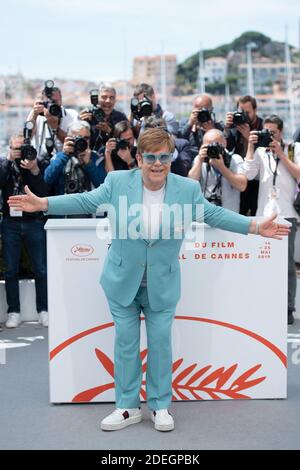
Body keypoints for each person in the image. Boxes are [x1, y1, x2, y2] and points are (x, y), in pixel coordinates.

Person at [8, 128, 289, 431]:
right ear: (139, 158)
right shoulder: (117, 182)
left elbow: (215, 215)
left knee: (160, 345)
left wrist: (256, 227)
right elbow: (86, 201)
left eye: (164, 157)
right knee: (126, 345)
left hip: (162, 283)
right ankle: (128, 407)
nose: (158, 164)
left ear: (171, 158)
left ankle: (159, 406)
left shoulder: (186, 189)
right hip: (121, 281)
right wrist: (44, 204)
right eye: (151, 157)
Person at [244, 115, 300, 325]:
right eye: (265, 132)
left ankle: (288, 307)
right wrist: (250, 147)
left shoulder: (294, 149)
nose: (269, 136)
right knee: (263, 263)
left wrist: (282, 155)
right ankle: (265, 304)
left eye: (273, 133)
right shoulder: (259, 152)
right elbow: (248, 175)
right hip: (263, 215)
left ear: (281, 132)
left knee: (286, 265)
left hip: (286, 215)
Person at [0, 133, 50, 328]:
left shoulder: (36, 164)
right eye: (16, 149)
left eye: (23, 149)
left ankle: (43, 310)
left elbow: (43, 191)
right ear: (10, 148)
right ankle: (13, 311)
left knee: (41, 269)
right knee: (11, 270)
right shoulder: (4, 164)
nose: (21, 153)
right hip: (10, 222)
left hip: (33, 222)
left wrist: (34, 168)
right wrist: (9, 160)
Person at [188, 129, 247, 212]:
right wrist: (200, 161)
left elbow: (242, 186)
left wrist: (222, 167)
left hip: (229, 218)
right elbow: (190, 186)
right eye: (209, 146)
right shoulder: (199, 159)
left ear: (225, 143)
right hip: (205, 217)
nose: (213, 148)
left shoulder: (234, 159)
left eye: (216, 145)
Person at [44, 121, 106, 197]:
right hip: (65, 203)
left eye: (86, 138)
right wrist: (64, 155)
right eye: (78, 138)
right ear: (69, 139)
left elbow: (103, 186)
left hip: (89, 205)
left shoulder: (96, 157)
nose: (83, 141)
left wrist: (89, 164)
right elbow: (47, 179)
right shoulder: (60, 157)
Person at [224, 95, 263, 216]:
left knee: (255, 213)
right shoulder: (234, 126)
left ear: (255, 111)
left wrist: (248, 137)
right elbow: (226, 148)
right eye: (241, 112)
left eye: (247, 112)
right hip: (239, 177)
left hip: (257, 178)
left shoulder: (262, 126)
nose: (244, 116)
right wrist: (226, 128)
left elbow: (265, 153)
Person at [27, 82, 78, 159]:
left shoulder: (72, 115)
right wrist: (34, 115)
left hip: (64, 161)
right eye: (48, 102)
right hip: (40, 161)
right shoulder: (37, 114)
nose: (51, 105)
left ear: (61, 100)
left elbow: (75, 144)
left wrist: (56, 128)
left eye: (54, 102)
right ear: (43, 101)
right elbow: (27, 137)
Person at [79, 84, 127, 151]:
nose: (108, 101)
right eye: (104, 97)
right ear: (97, 99)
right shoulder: (87, 115)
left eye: (111, 98)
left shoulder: (121, 118)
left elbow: (126, 141)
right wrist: (79, 123)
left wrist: (110, 131)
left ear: (115, 101)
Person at [179, 94, 224, 160]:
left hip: (212, 159)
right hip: (191, 160)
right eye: (199, 109)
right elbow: (179, 142)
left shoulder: (218, 126)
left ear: (211, 109)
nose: (202, 113)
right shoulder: (185, 122)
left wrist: (211, 131)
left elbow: (224, 146)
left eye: (205, 110)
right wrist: (190, 124)